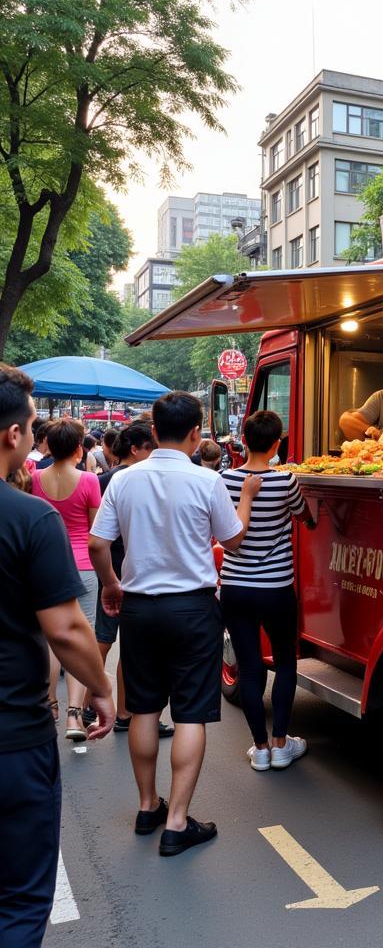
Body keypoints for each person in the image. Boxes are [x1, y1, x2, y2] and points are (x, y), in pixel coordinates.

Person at [89, 392, 261, 856]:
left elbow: (98, 544)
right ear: (194, 431)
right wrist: (245, 501)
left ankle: (148, 807)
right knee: (191, 712)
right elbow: (235, 541)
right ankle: (178, 822)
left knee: (143, 708)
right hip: (193, 608)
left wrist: (110, 586)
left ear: (154, 428)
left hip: (140, 607)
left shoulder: (124, 480)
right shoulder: (206, 481)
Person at [0, 362, 114, 948]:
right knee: (19, 900)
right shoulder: (28, 518)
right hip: (12, 736)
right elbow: (68, 630)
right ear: (13, 436)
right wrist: (100, 688)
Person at [220, 410, 316, 771]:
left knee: (247, 666)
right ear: (278, 443)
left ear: (244, 440)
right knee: (284, 660)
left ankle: (259, 747)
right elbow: (303, 514)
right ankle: (281, 743)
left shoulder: (225, 479)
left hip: (235, 586)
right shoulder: (286, 481)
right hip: (276, 587)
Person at [94, 422, 173, 738]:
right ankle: (118, 707)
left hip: (110, 568)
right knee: (128, 645)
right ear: (136, 448)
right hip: (128, 568)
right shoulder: (135, 480)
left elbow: (96, 535)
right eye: (149, 447)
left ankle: (96, 700)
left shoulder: (106, 480)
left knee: (107, 638)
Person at [31, 418, 102, 741]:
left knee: (50, 637)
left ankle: (49, 705)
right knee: (80, 637)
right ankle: (75, 716)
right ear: (78, 448)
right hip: (84, 566)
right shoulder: (88, 481)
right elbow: (94, 530)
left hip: (45, 563)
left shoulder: (33, 478)